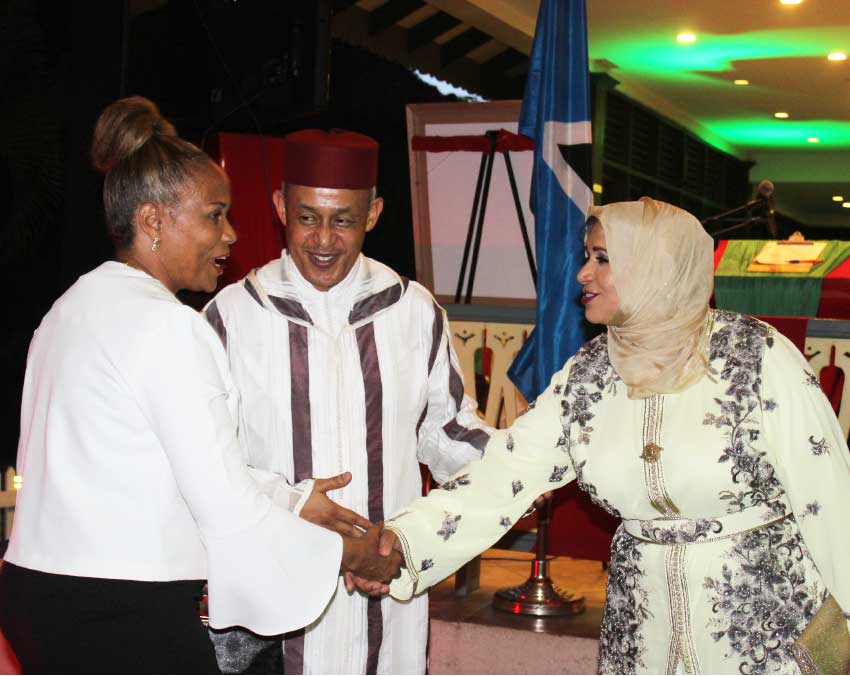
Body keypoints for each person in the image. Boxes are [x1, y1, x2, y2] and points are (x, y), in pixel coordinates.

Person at [0, 97, 400, 674]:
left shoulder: (70, 307)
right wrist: (346, 552)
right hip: (119, 608)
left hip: (37, 593)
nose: (232, 234)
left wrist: (292, 500)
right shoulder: (169, 326)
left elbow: (155, 468)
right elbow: (223, 506)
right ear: (154, 221)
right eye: (215, 214)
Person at [380, 197, 850, 675]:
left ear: (655, 264)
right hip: (642, 633)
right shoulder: (589, 373)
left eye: (603, 258)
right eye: (587, 257)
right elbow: (503, 474)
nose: (584, 274)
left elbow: (829, 497)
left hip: (765, 635)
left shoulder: (756, 355)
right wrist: (401, 544)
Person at [204, 128, 491, 674]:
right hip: (274, 589)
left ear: (375, 212)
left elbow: (449, 434)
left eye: (344, 220)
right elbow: (208, 460)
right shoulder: (232, 316)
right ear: (279, 205)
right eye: (308, 216)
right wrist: (289, 502)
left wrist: (521, 469)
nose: (324, 240)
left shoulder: (413, 310)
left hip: (385, 587)